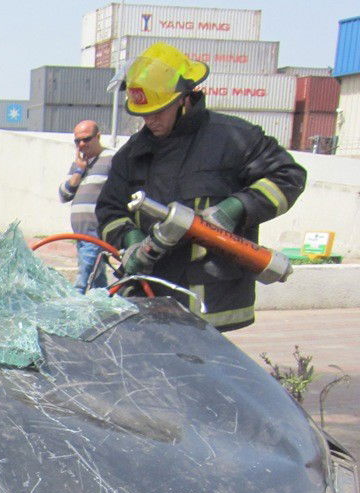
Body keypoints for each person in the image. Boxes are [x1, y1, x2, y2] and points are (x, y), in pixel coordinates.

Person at [96, 42, 306, 331]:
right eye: (143, 114)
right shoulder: (131, 155)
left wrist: (235, 209)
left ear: (184, 99)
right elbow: (109, 209)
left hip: (215, 303)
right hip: (153, 299)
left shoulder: (233, 138)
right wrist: (131, 241)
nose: (150, 120)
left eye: (159, 111)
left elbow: (289, 176)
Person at [58, 120, 112, 293]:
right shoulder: (78, 164)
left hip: (95, 231)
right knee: (96, 279)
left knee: (82, 281)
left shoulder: (112, 159)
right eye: (77, 141)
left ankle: (72, 312)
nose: (81, 144)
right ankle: (105, 311)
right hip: (80, 234)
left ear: (98, 137)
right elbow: (64, 194)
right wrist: (79, 171)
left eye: (86, 139)